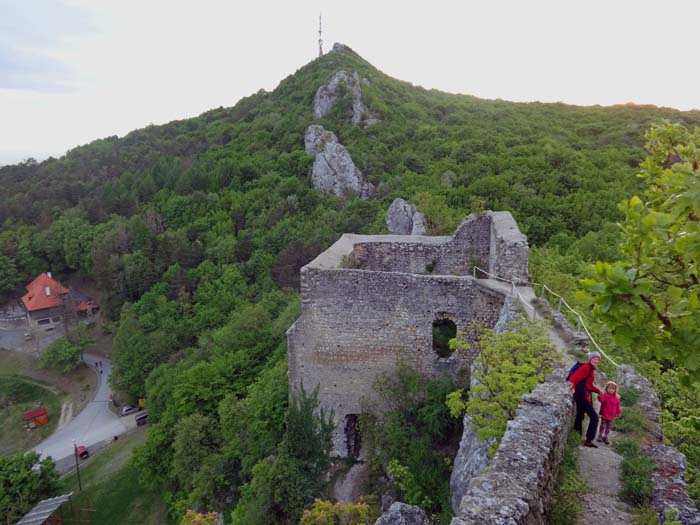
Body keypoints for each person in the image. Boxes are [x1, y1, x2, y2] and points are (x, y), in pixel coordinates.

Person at [569, 351, 602, 447]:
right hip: (581, 395)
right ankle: (588, 440)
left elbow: (589, 385)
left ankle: (577, 436)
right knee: (594, 417)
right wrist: (573, 388)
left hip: (583, 394)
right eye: (595, 358)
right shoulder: (586, 367)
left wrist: (598, 391)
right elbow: (574, 378)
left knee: (580, 416)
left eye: (598, 359)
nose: (596, 360)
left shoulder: (591, 369)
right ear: (590, 359)